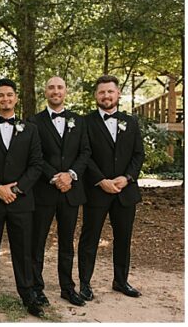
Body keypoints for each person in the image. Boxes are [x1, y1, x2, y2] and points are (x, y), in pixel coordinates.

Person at [0, 78, 44, 318]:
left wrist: (16, 189)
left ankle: (27, 294)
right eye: (0, 95)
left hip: (21, 201)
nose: (5, 99)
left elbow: (37, 165)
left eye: (9, 95)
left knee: (23, 249)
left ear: (16, 98)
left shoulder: (31, 129)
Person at [78, 74, 145, 301]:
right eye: (102, 92)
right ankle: (85, 283)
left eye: (110, 91)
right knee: (90, 238)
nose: (106, 95)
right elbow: (84, 156)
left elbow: (138, 155)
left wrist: (127, 178)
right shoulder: (84, 122)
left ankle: (120, 280)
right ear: (96, 96)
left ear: (118, 94)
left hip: (125, 192)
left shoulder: (132, 122)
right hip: (96, 191)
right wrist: (101, 180)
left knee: (123, 238)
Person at [26, 76, 90, 307]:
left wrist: (70, 174)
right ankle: (36, 288)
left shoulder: (79, 121)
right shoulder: (33, 121)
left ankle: (67, 288)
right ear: (45, 92)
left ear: (66, 91)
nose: (56, 91)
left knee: (67, 242)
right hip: (44, 191)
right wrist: (55, 176)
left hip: (71, 191)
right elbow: (34, 156)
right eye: (51, 87)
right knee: (37, 242)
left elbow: (85, 152)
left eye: (60, 87)